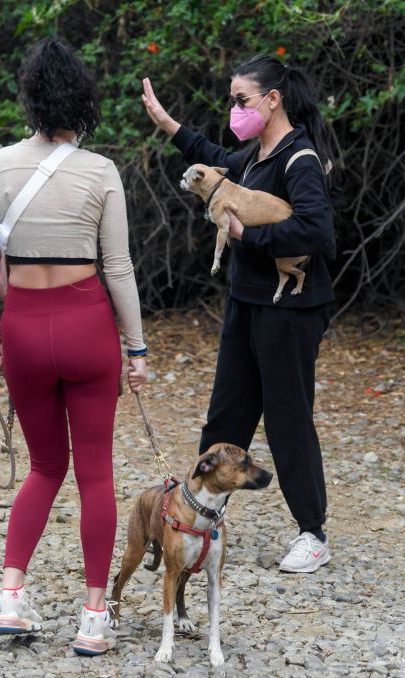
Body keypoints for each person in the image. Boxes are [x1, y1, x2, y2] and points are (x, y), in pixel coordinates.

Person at [0, 38, 147, 655]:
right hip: (85, 325)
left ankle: (10, 596)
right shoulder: (100, 172)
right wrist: (138, 349)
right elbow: (119, 267)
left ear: (31, 99)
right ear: (83, 100)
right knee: (94, 471)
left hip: (22, 325)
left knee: (46, 466)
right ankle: (94, 617)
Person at [142, 54, 336, 573]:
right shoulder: (254, 156)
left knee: (288, 419)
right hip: (248, 303)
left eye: (241, 100)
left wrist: (251, 236)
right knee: (227, 413)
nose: (234, 108)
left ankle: (312, 533)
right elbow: (212, 158)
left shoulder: (300, 158)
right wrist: (169, 126)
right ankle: (192, 519)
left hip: (291, 310)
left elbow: (317, 232)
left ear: (272, 100)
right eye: (231, 100)